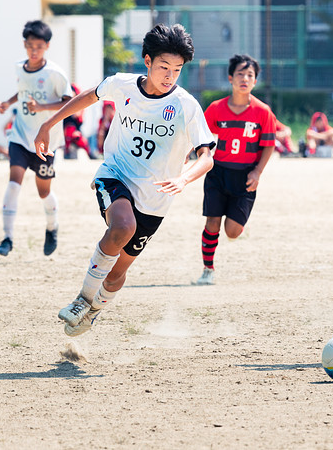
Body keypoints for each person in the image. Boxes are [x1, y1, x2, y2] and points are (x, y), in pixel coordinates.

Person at [33, 23, 215, 337]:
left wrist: (184, 179)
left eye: (176, 69)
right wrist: (49, 123)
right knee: (122, 227)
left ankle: (93, 313)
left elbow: (206, 157)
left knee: (117, 274)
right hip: (116, 174)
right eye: (163, 67)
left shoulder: (186, 106)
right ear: (147, 61)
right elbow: (89, 97)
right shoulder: (122, 85)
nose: (169, 75)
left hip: (155, 200)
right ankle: (82, 300)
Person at [195, 54, 277, 286]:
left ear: (255, 81)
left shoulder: (263, 112)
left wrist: (257, 172)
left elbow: (268, 145)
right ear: (230, 78)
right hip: (218, 172)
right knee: (212, 222)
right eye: (240, 74)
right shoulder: (215, 108)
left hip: (245, 176)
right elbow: (200, 136)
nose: (245, 78)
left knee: (232, 231)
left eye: (250, 75)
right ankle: (207, 269)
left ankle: (237, 220)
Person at [0, 20, 73, 257]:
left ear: (47, 46)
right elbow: (23, 91)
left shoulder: (55, 74)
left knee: (43, 191)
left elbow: (70, 101)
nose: (34, 50)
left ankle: (52, 227)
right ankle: (7, 238)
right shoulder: (20, 68)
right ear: (24, 45)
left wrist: (42, 107)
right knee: (13, 182)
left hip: (45, 143)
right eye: (30, 45)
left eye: (39, 46)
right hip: (20, 135)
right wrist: (8, 102)